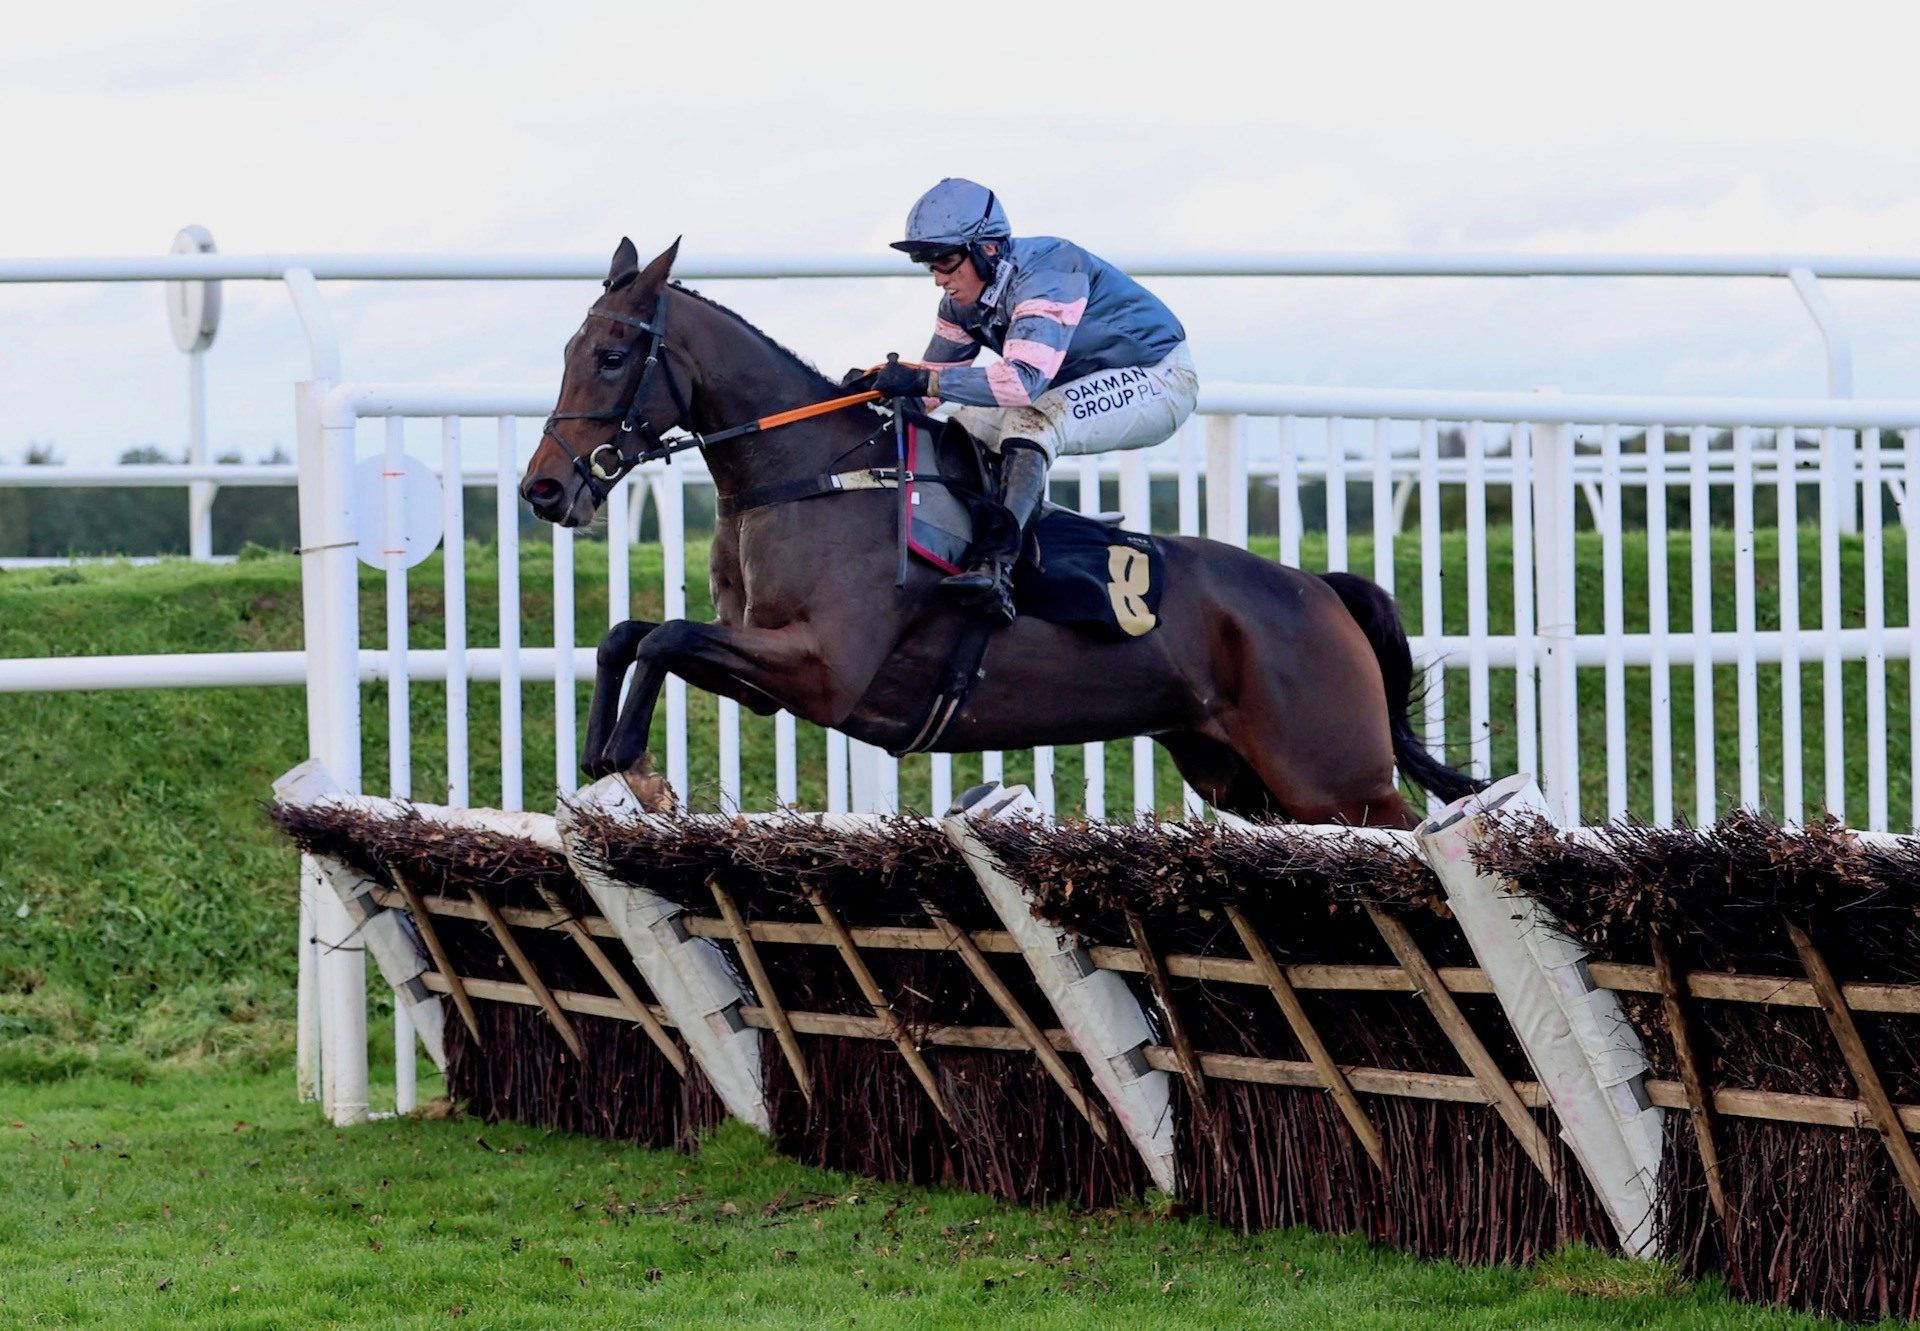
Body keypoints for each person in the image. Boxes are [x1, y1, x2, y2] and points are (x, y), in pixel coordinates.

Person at [861, 178, 1198, 624]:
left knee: (1032, 422)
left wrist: (920, 380)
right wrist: (872, 395)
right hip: (1076, 384)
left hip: (1160, 378)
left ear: (988, 249)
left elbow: (1020, 384)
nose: (939, 278)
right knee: (964, 426)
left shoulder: (1051, 269)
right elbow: (931, 391)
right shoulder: (959, 304)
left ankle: (998, 567)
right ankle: (1003, 532)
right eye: (930, 265)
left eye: (945, 260)